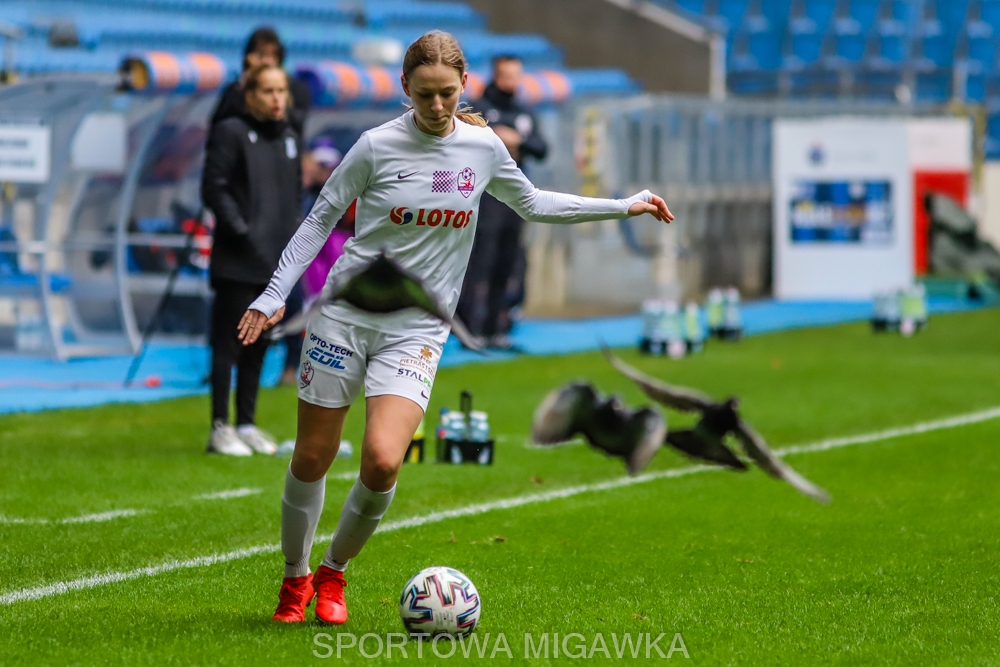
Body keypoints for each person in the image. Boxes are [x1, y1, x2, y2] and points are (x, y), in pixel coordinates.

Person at [236, 30, 673, 624]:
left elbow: (534, 203)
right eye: (424, 95)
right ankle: (295, 579)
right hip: (344, 316)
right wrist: (273, 295)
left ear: (465, 84)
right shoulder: (375, 146)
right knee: (313, 456)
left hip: (417, 328)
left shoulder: (482, 147)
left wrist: (623, 205)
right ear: (404, 87)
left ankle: (333, 573)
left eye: (447, 93)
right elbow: (319, 220)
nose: (438, 106)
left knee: (383, 461)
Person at [201, 63, 303, 456]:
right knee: (229, 343)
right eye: (268, 91)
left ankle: (246, 423)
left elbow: (293, 198)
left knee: (259, 344)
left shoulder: (289, 137)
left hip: (275, 263)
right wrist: (242, 232)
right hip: (238, 261)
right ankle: (220, 426)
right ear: (250, 96)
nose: (277, 99)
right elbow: (214, 188)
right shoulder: (230, 132)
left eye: (281, 91)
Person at [456, 54, 548, 350]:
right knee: (479, 261)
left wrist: (518, 141)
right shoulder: (479, 109)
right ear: (495, 75)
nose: (511, 82)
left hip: (514, 198)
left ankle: (496, 327)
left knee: (507, 262)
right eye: (506, 76)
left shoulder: (524, 112)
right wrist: (496, 138)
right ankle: (470, 327)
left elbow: (541, 148)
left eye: (515, 76)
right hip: (484, 196)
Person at [210, 27, 311, 135]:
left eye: (272, 55)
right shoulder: (236, 90)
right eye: (261, 55)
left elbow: (296, 124)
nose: (267, 62)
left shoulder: (297, 89)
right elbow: (219, 125)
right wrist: (248, 83)